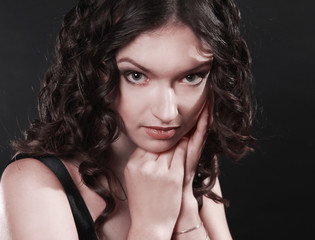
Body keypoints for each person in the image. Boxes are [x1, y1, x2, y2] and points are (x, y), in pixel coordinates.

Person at [0, 0, 256, 239]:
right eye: (136, 75)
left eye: (191, 77)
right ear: (95, 70)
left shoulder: (190, 165)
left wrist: (186, 214)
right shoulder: (33, 183)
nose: (167, 113)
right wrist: (151, 227)